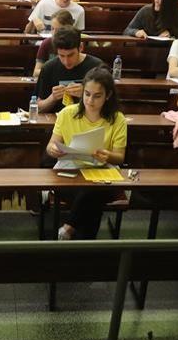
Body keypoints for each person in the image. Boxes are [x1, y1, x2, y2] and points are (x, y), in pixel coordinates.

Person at [46, 67, 126, 241]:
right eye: (87, 94)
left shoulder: (117, 118)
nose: (90, 101)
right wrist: (53, 149)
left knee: (92, 192)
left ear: (108, 96)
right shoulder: (67, 113)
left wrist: (108, 155)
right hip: (71, 171)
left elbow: (120, 157)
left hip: (103, 172)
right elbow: (51, 145)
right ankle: (83, 246)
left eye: (97, 96)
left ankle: (68, 228)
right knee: (91, 200)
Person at [34, 27, 104, 112]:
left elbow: (108, 103)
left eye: (70, 55)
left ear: (81, 47)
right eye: (61, 56)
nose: (66, 61)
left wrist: (87, 94)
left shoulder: (97, 67)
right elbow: (37, 108)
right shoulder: (49, 68)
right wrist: (52, 98)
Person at [32, 9, 74, 77]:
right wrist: (54, 71)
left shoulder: (77, 42)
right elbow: (36, 72)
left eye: (59, 30)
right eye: (52, 29)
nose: (54, 33)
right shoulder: (47, 43)